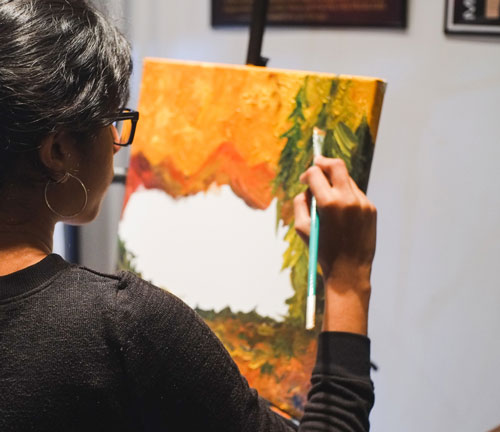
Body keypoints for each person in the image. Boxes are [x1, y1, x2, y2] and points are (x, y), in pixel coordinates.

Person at [0, 0, 377, 431]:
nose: (118, 142)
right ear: (60, 151)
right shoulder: (122, 327)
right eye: (113, 119)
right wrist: (349, 282)